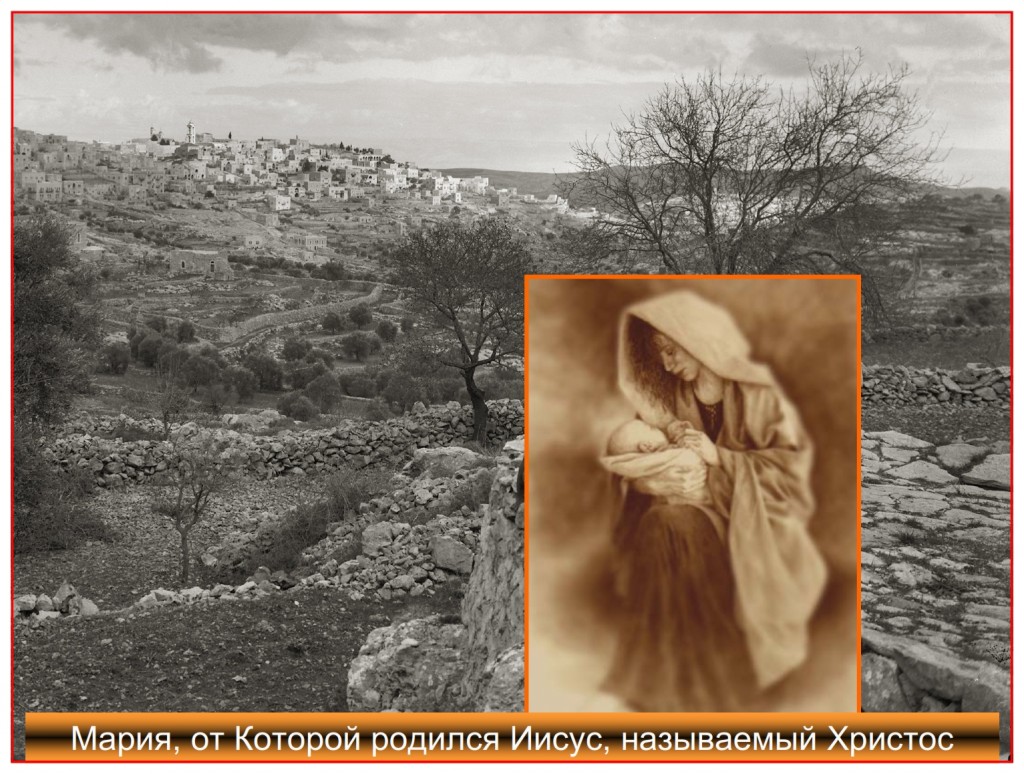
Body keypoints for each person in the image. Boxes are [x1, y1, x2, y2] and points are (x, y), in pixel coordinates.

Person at [602, 290, 827, 712]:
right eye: (660, 355)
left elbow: (792, 476)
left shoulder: (761, 396)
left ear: (698, 336)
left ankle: (717, 680)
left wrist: (717, 456)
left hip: (757, 527)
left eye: (672, 349)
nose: (667, 363)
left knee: (671, 525)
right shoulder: (672, 401)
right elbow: (637, 452)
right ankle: (663, 678)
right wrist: (652, 474)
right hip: (696, 512)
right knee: (661, 524)